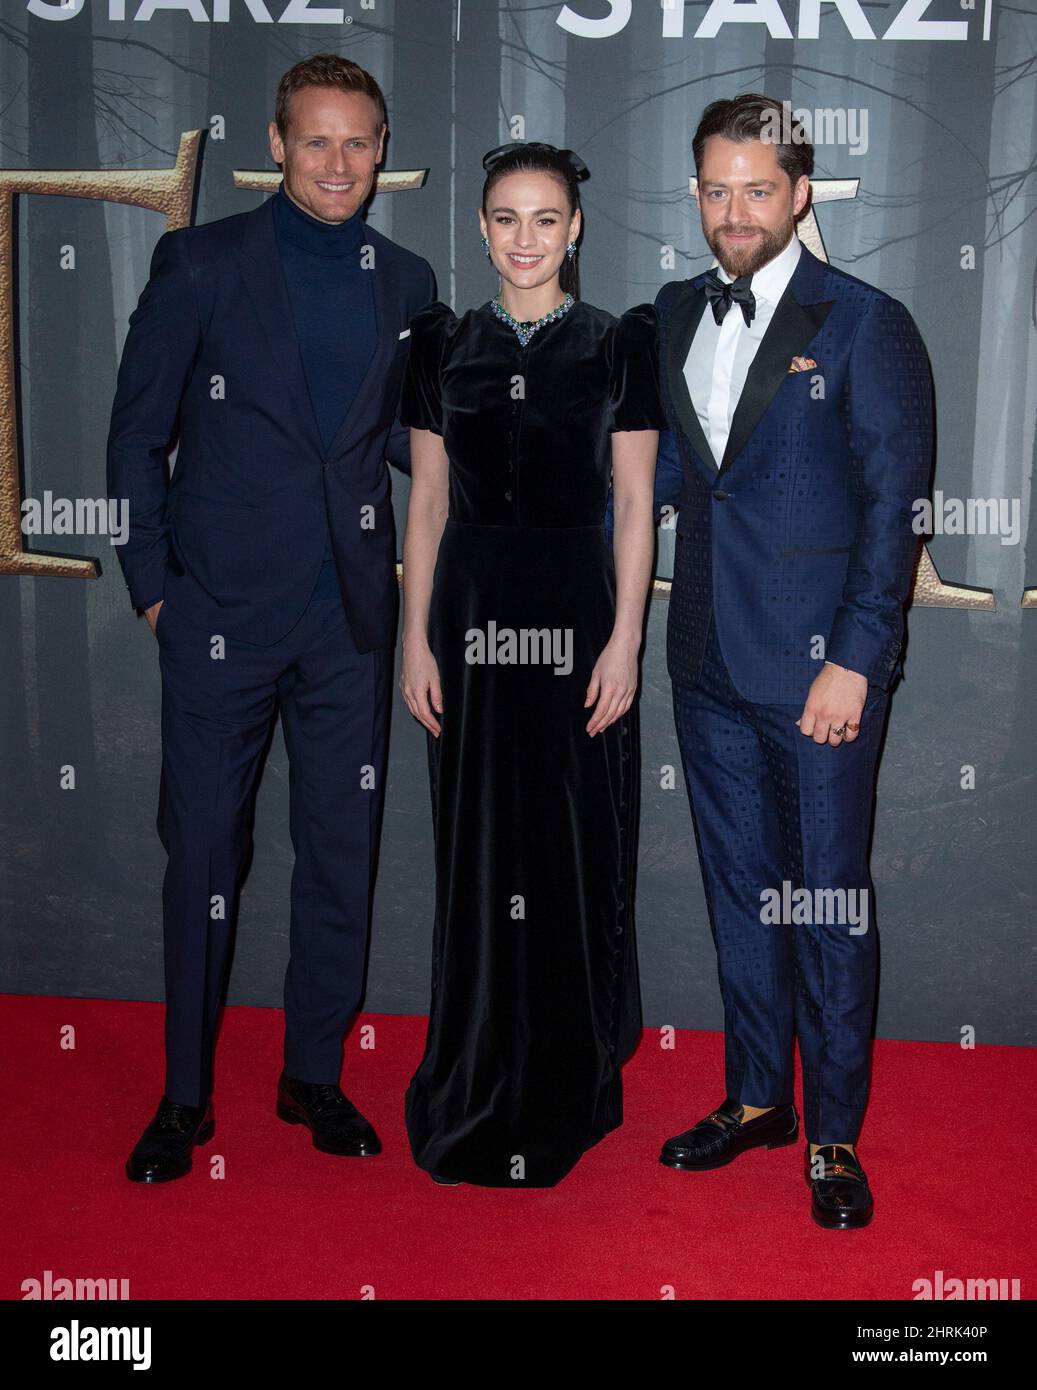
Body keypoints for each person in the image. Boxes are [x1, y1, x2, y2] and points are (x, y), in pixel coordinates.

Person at [107, 54, 435, 1183]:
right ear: (277, 143)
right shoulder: (200, 263)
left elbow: (408, 447)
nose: (338, 161)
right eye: (316, 140)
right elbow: (134, 436)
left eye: (358, 141)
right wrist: (156, 588)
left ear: (382, 149)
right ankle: (184, 1097)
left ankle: (312, 1074)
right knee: (203, 852)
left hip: (349, 620)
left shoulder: (408, 280)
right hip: (217, 621)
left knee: (339, 854)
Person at [643, 95, 933, 1227]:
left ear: (800, 192)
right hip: (704, 662)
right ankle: (757, 1096)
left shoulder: (864, 322)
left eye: (756, 189)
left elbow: (893, 506)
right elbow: (660, 482)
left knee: (824, 902)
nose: (734, 212)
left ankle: (833, 1135)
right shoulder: (670, 313)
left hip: (817, 673)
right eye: (714, 189)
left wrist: (855, 660)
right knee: (739, 896)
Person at [397, 141, 665, 1187]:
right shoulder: (438, 344)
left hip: (573, 613)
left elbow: (636, 503)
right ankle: (472, 1065)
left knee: (566, 845)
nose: (524, 239)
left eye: (544, 218)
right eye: (505, 218)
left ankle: (565, 1073)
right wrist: (415, 637)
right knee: (476, 848)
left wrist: (624, 643)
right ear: (478, 226)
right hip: (465, 617)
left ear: (575, 228)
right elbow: (423, 501)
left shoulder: (615, 344)